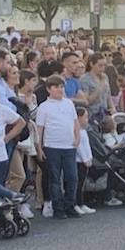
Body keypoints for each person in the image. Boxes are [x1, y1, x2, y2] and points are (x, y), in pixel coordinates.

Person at [35, 74, 81, 220]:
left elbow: (75, 122)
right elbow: (39, 129)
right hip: (52, 146)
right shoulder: (43, 107)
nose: (60, 89)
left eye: (61, 87)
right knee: (55, 178)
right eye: (56, 87)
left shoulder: (69, 104)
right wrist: (39, 147)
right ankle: (58, 208)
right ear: (49, 89)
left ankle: (70, 205)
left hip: (69, 146)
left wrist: (77, 137)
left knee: (72, 177)